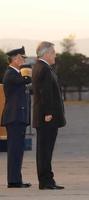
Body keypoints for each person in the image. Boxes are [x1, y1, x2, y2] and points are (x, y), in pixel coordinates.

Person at [32, 41, 66, 190]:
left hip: (47, 116)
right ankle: (46, 181)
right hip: (47, 117)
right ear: (46, 54)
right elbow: (44, 93)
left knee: (45, 150)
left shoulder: (43, 67)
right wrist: (48, 113)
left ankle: (47, 180)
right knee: (45, 150)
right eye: (53, 52)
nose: (55, 55)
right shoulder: (44, 68)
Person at [1, 46, 32, 188]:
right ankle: (13, 181)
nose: (23, 61)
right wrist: (27, 73)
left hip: (18, 117)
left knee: (18, 150)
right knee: (14, 150)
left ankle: (16, 180)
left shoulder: (16, 73)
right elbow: (25, 81)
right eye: (21, 58)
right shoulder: (11, 74)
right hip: (14, 117)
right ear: (14, 59)